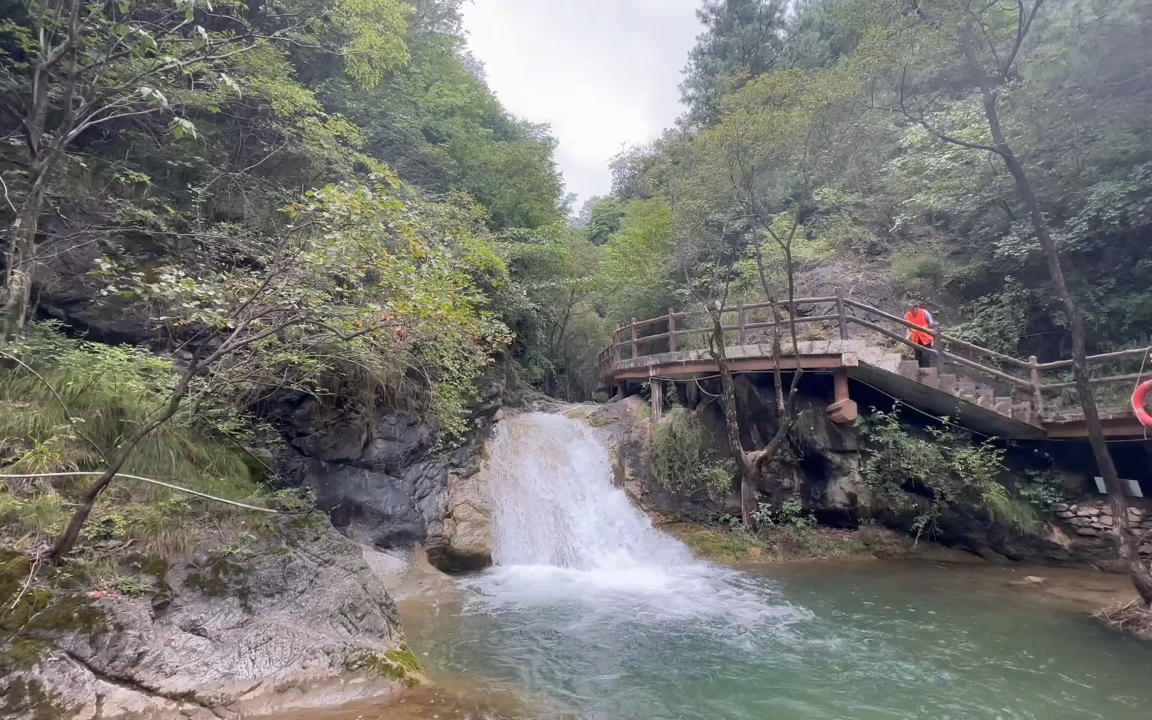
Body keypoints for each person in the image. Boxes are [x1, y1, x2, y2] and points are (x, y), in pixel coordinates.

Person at [905, 303, 936, 368]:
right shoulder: (907, 315)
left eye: (912, 309)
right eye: (910, 310)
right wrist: (907, 335)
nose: (911, 311)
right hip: (915, 338)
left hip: (925, 336)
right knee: (917, 355)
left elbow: (931, 324)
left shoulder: (924, 313)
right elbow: (908, 327)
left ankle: (927, 370)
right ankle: (920, 370)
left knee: (926, 355)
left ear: (916, 308)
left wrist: (931, 332)